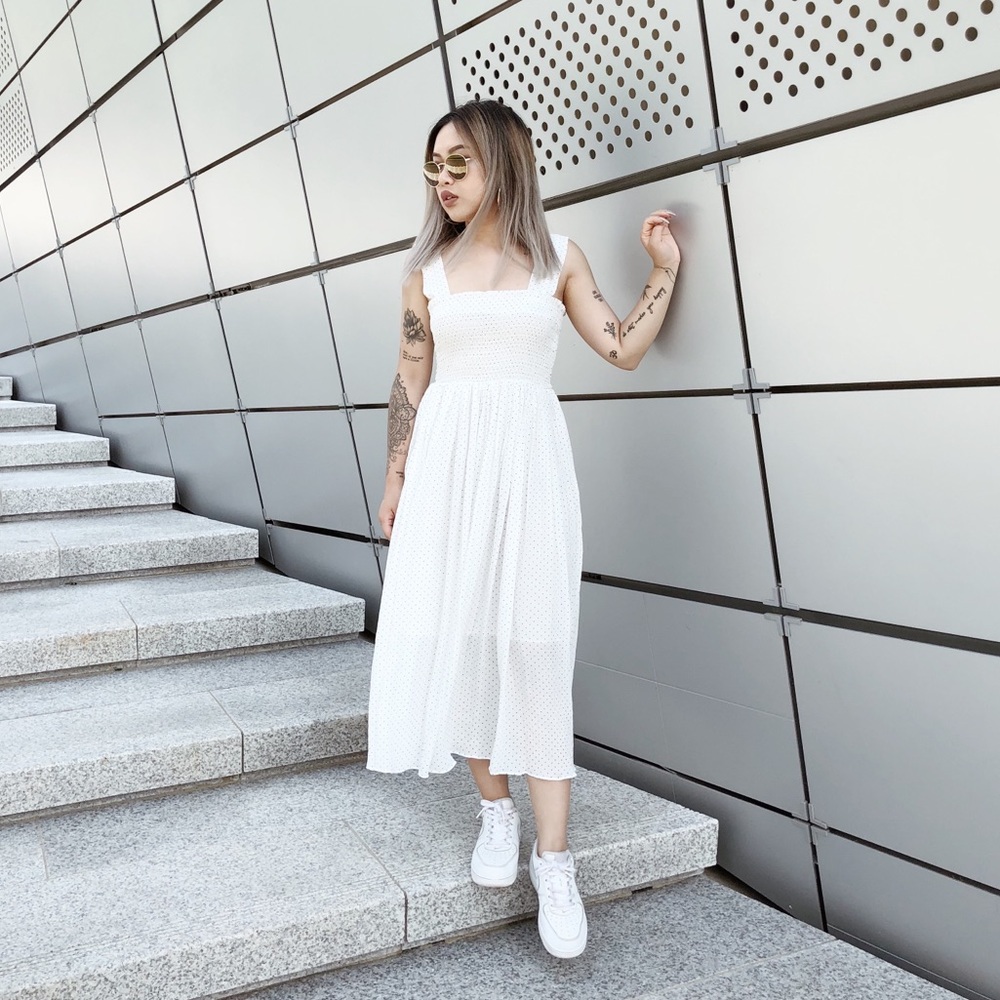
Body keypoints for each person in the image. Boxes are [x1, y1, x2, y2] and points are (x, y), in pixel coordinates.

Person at [366, 99, 680, 959]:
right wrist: (395, 477)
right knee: (467, 639)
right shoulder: (426, 272)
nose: (442, 180)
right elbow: (409, 380)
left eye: (458, 163)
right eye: (433, 166)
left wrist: (663, 272)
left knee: (535, 649)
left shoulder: (558, 258)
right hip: (447, 475)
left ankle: (555, 860)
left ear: (502, 160)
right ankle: (495, 810)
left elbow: (621, 348)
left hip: (531, 473)